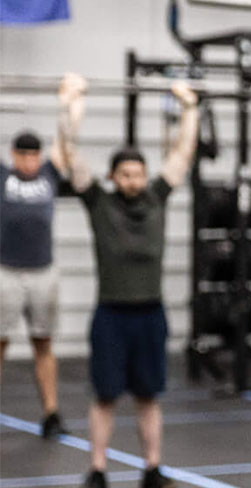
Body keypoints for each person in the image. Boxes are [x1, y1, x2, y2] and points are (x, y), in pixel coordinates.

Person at [55, 76, 201, 488]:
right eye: (125, 175)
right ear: (113, 176)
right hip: (111, 316)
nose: (133, 181)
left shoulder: (157, 197)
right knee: (104, 396)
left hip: (150, 315)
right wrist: (69, 106)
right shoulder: (98, 203)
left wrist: (190, 107)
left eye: (138, 174)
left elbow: (183, 153)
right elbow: (69, 153)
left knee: (148, 396)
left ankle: (152, 468)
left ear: (146, 175)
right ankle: (98, 470)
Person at [1, 130, 65, 439]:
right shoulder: (3, 178)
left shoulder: (50, 175)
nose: (28, 161)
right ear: (14, 155)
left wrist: (70, 107)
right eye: (23, 155)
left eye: (33, 155)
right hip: (6, 271)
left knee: (43, 342)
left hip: (43, 271)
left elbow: (67, 137)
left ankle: (51, 412)